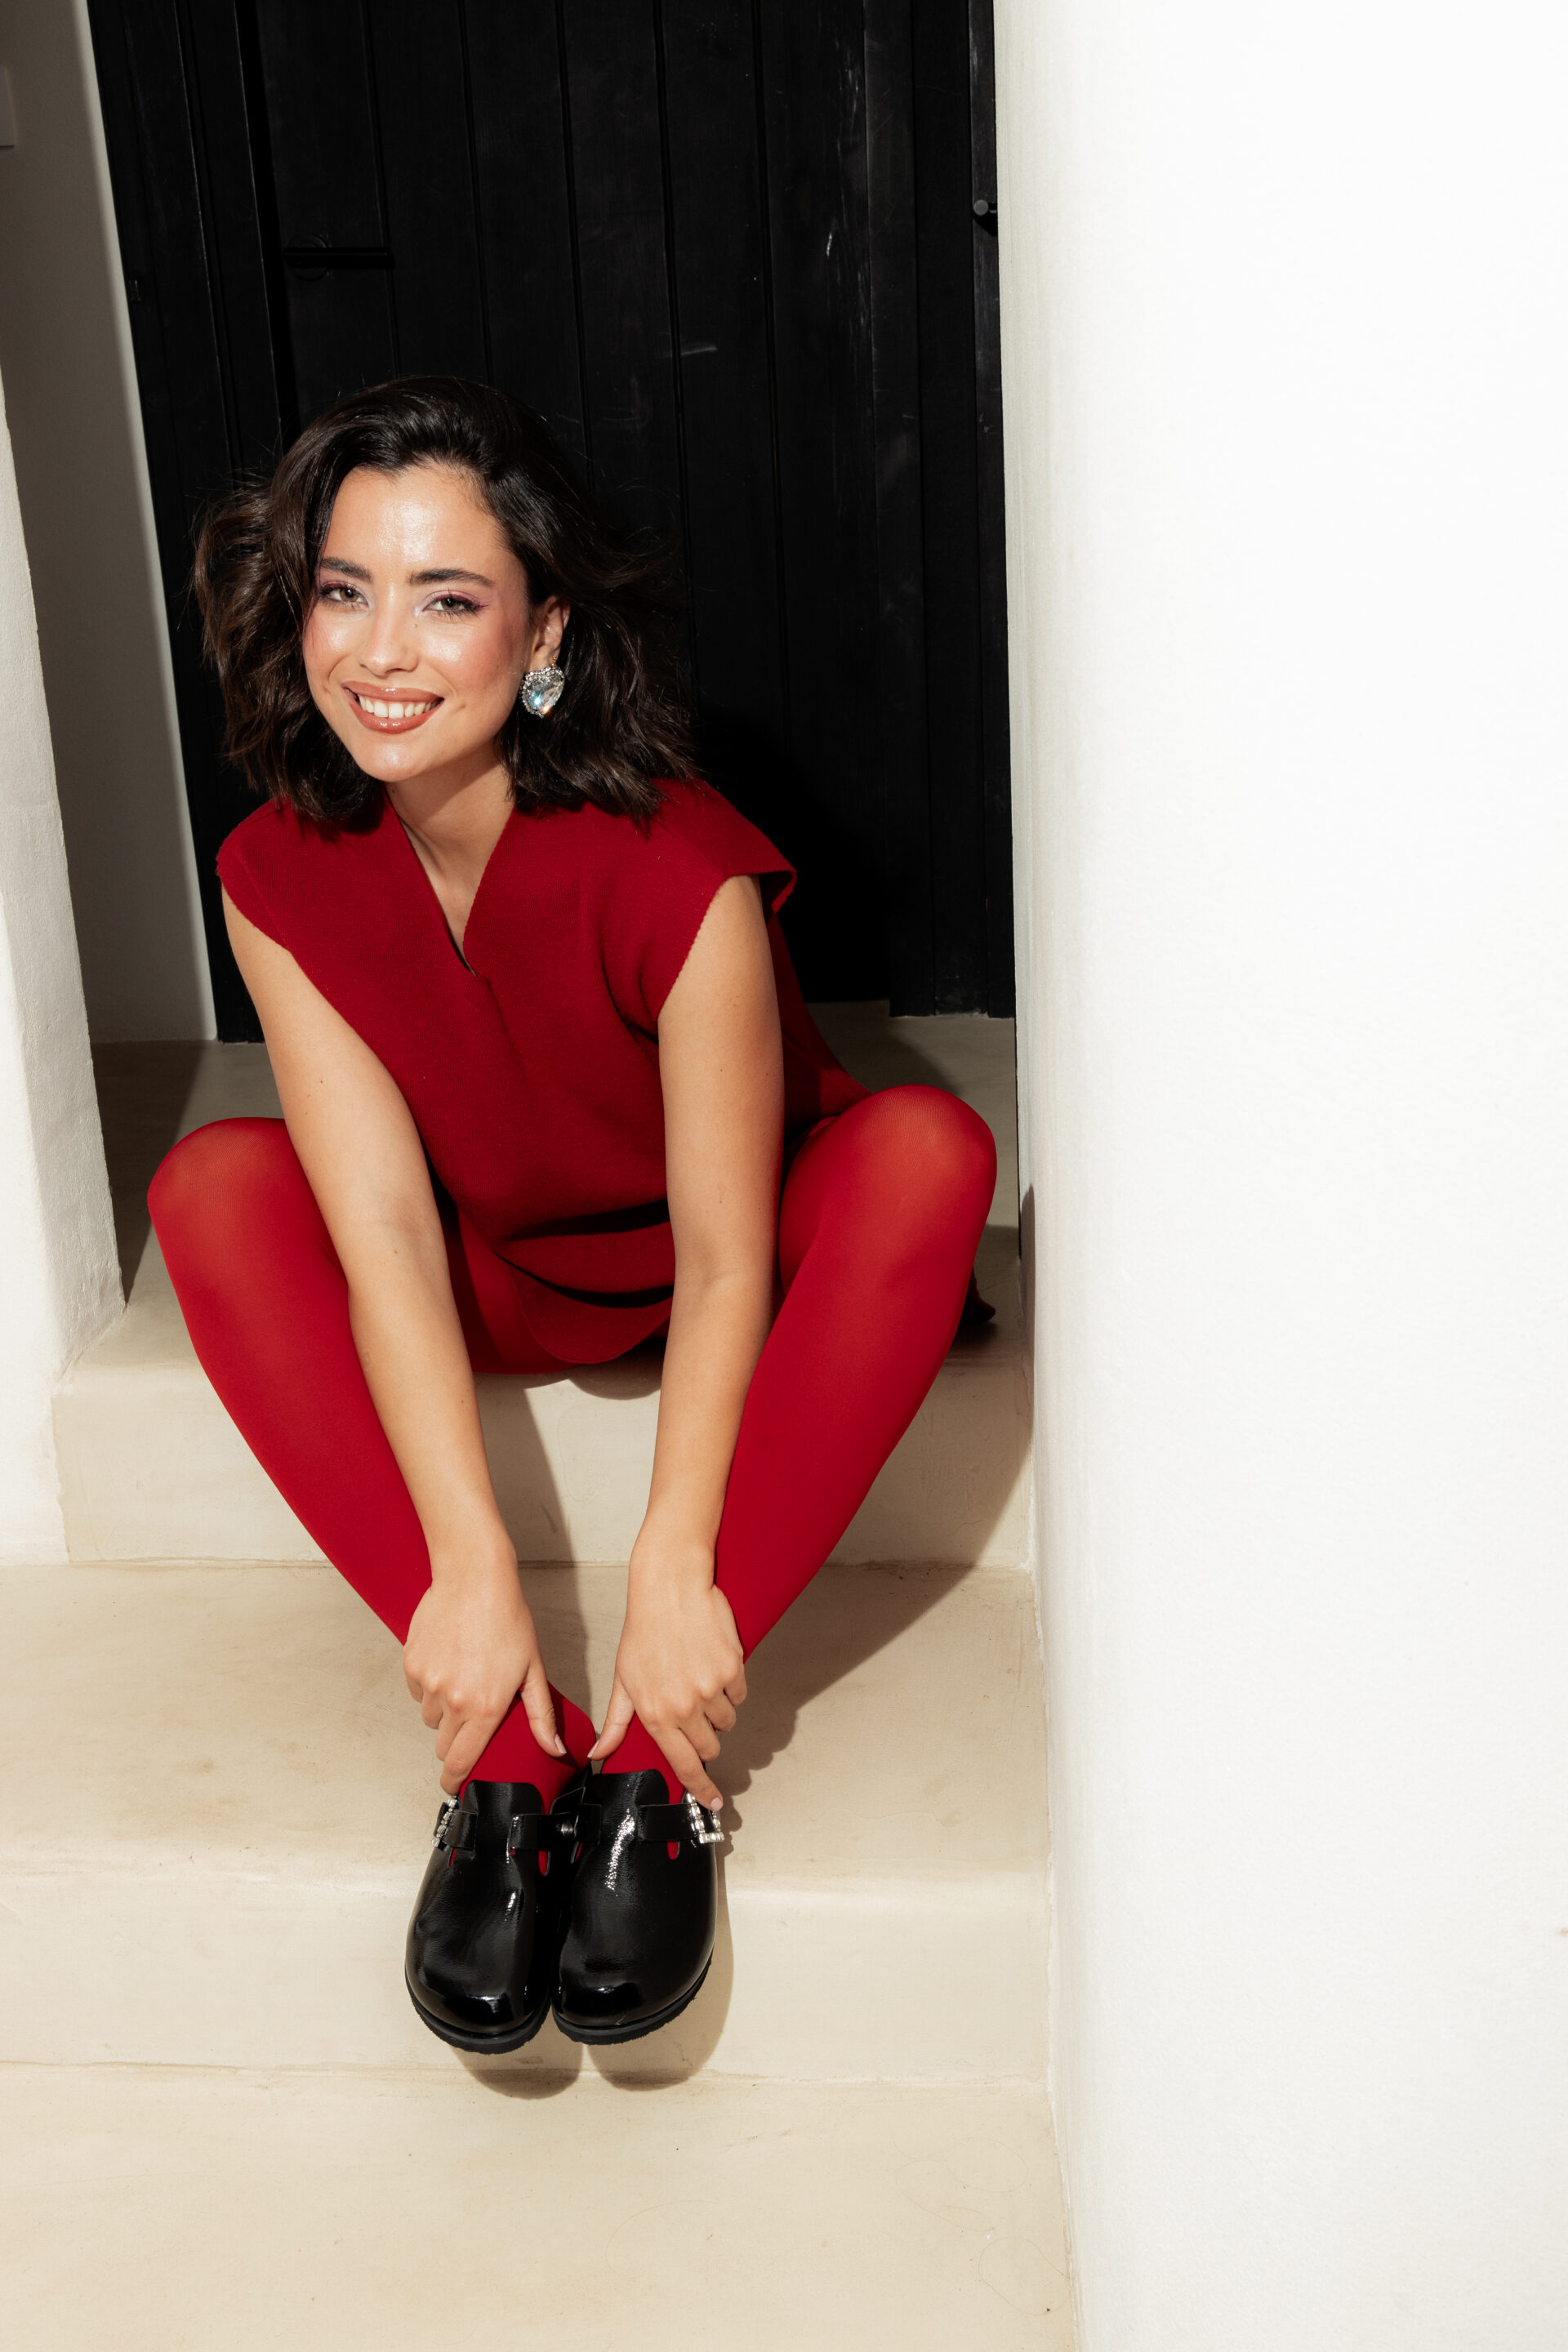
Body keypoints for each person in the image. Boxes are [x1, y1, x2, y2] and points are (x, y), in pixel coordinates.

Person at [149, 376, 996, 2052]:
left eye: (447, 599)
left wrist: (676, 1563)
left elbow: (730, 1249)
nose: (381, 652)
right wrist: (468, 1569)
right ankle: (510, 1770)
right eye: (345, 588)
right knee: (214, 1185)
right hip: (493, 1272)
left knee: (928, 1152)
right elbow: (379, 1228)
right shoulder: (273, 870)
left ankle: (652, 1772)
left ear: (541, 632)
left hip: (704, 1265)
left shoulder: (673, 862)